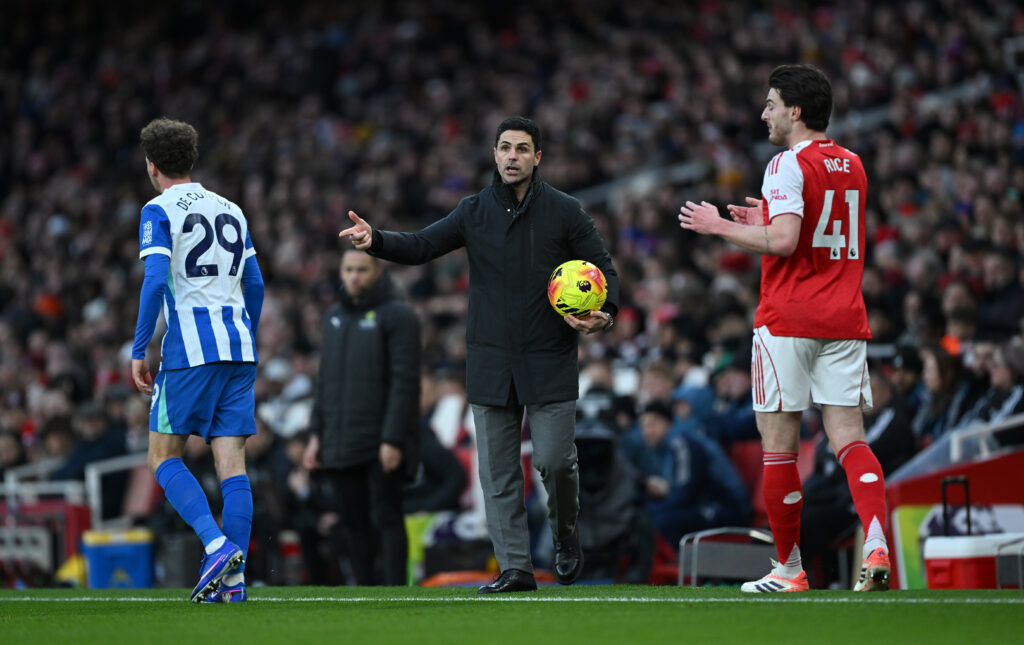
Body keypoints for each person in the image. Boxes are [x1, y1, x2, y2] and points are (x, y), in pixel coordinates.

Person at [339, 116, 619, 593]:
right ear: (494, 154)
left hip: (549, 355)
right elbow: (423, 245)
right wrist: (377, 240)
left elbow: (604, 270)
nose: (512, 156)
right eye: (505, 147)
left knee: (553, 461)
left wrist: (604, 314)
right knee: (497, 473)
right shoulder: (473, 211)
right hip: (490, 359)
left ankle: (566, 535)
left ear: (538, 158)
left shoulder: (566, 211)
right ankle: (516, 568)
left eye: (522, 149)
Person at [678, 65, 891, 592]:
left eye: (771, 103)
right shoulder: (853, 164)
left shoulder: (784, 163)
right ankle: (878, 540)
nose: (763, 113)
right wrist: (765, 220)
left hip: (789, 317)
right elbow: (817, 230)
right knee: (850, 441)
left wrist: (719, 226)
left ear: (795, 111)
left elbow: (785, 243)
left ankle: (789, 569)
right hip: (844, 317)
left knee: (779, 447)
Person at [130, 118, 264, 603]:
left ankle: (214, 545)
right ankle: (235, 580)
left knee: (162, 456)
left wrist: (140, 347)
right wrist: (243, 331)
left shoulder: (157, 208)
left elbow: (155, 278)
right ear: (190, 159)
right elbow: (255, 285)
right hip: (239, 348)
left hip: (190, 351)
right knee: (232, 464)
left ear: (152, 166)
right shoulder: (231, 208)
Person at [302, 250, 421, 585]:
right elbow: (325, 382)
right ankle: (365, 594)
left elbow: (405, 383)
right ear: (340, 273)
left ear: (377, 273)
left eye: (362, 270)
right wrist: (316, 435)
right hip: (340, 440)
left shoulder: (398, 316)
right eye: (349, 269)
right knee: (352, 522)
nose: (355, 276)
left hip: (380, 439)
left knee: (387, 517)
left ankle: (397, 593)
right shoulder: (333, 318)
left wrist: (393, 439)